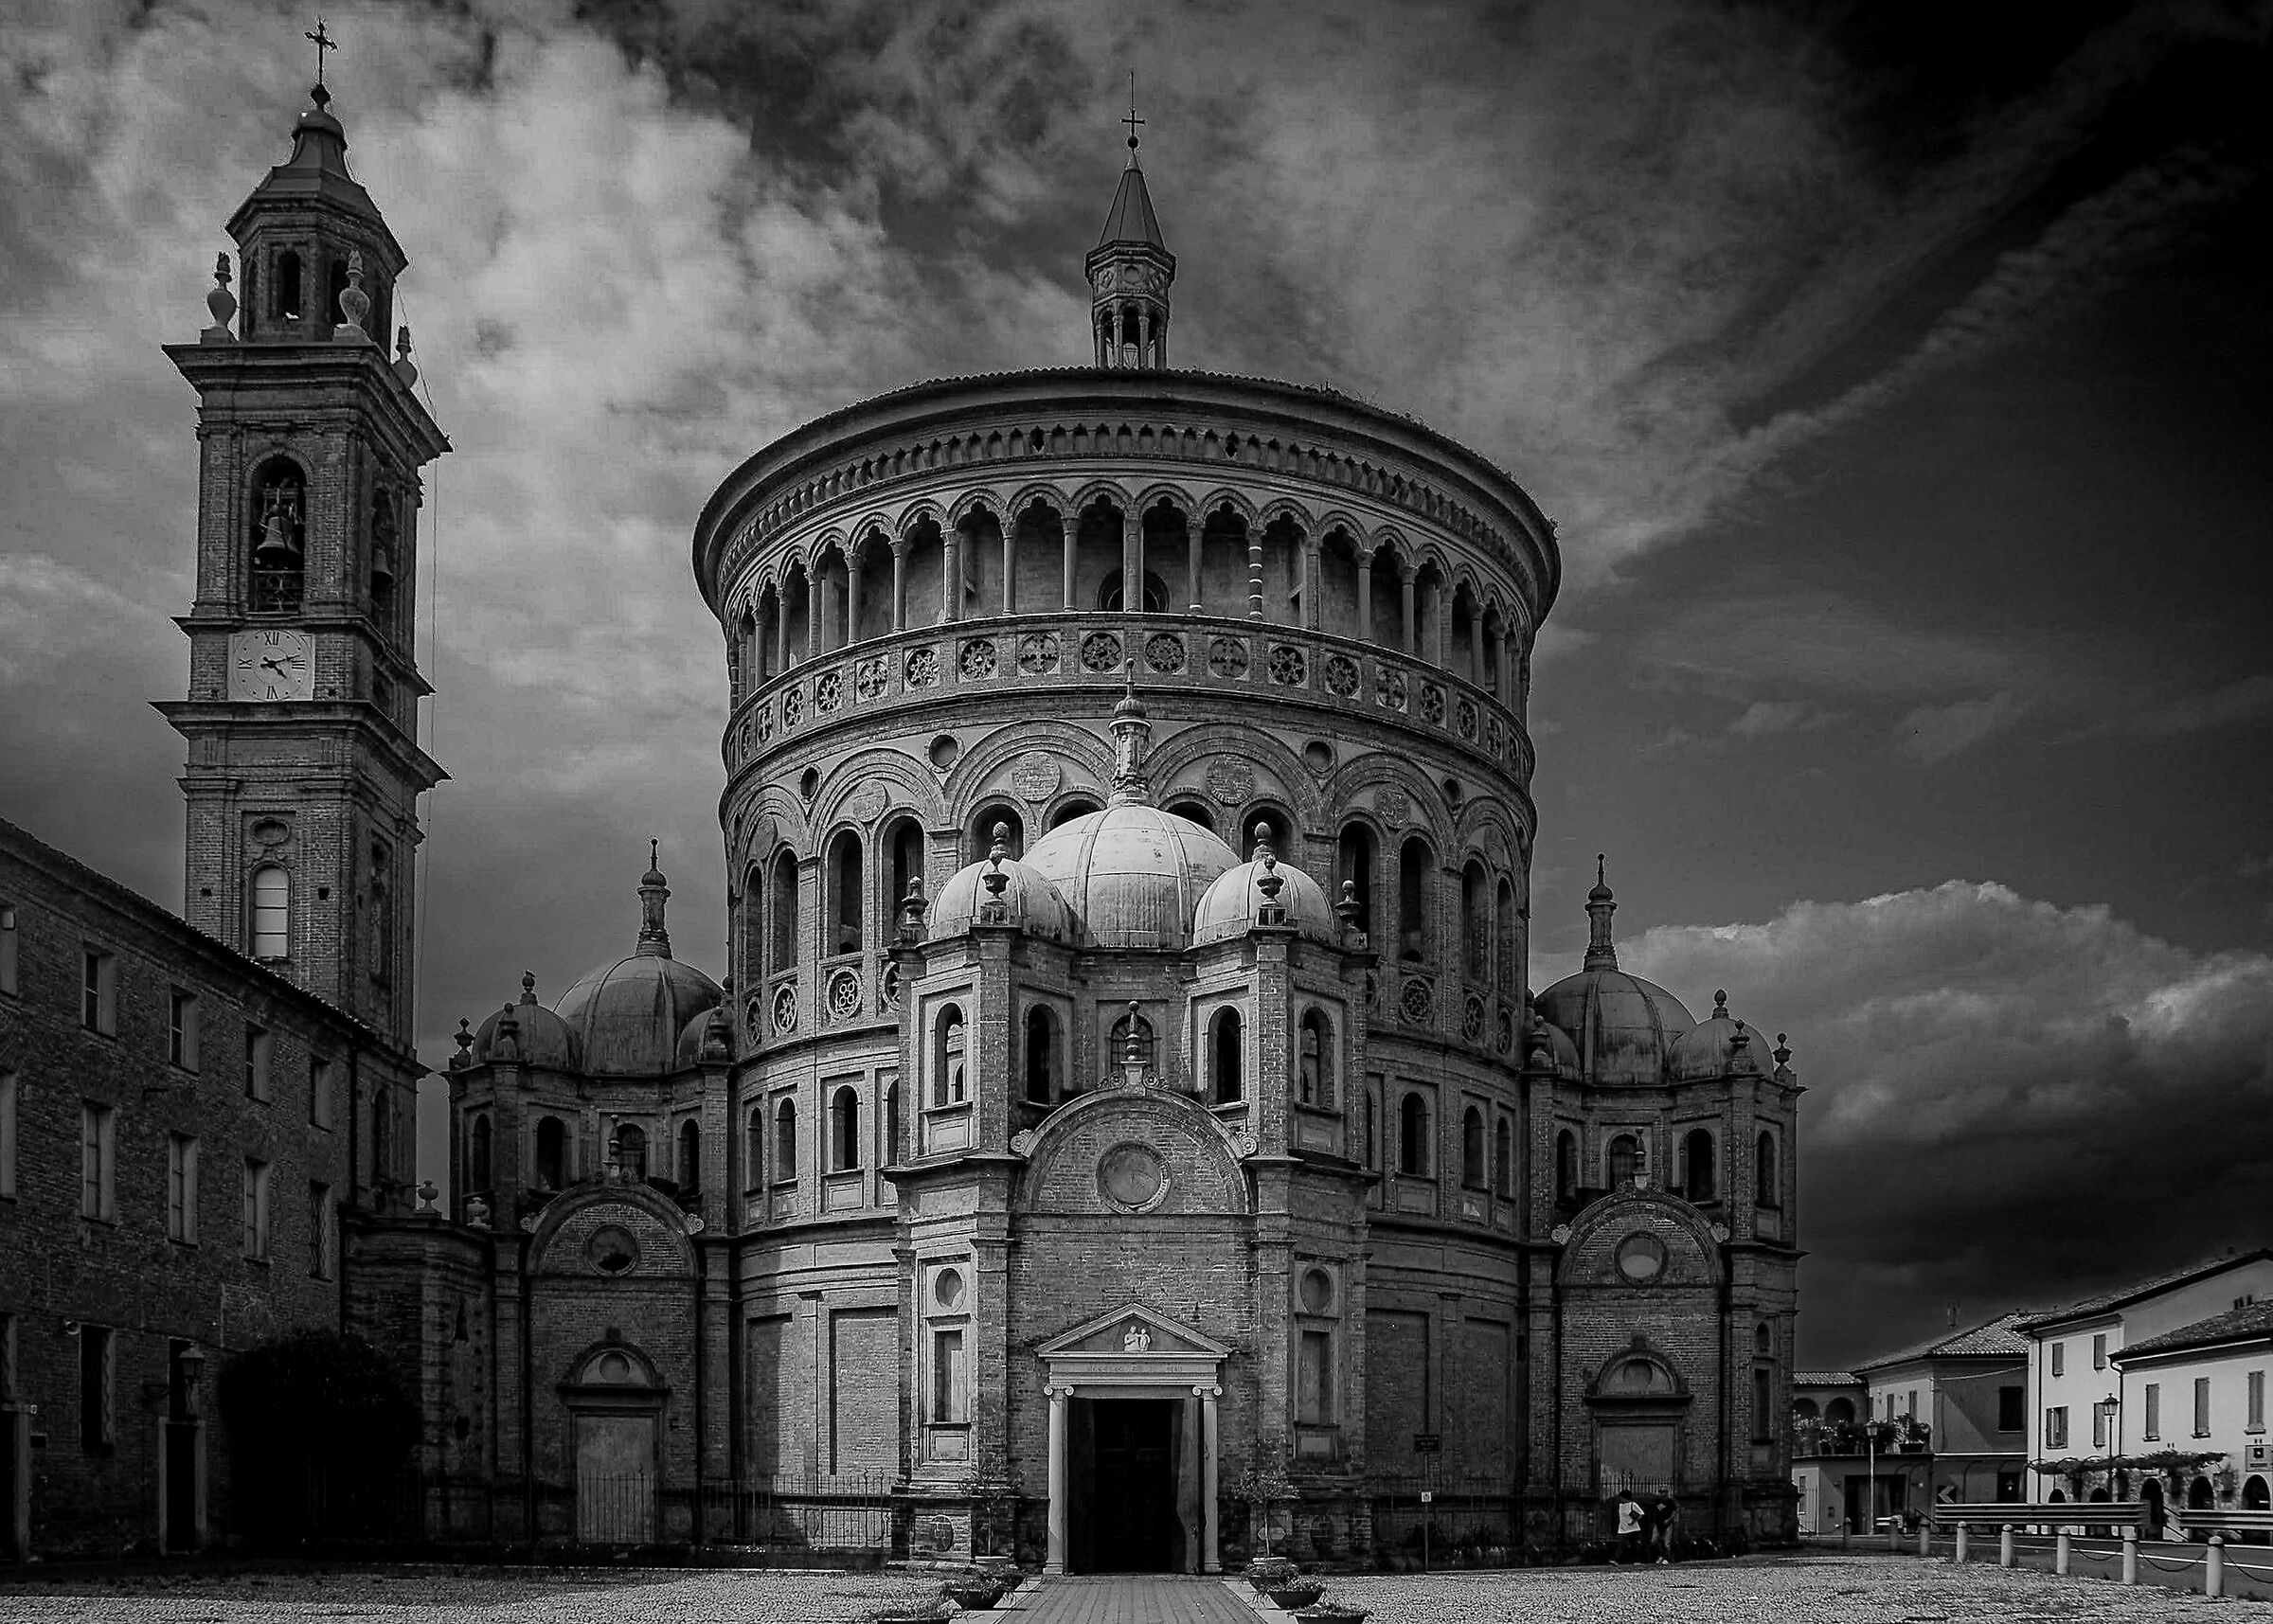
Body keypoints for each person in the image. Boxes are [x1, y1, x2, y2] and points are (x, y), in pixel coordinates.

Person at [1614, 1489, 1645, 1562]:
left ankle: (1637, 1560)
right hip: (1622, 1528)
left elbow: (1641, 1514)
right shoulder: (1621, 1505)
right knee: (1621, 1544)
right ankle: (1616, 1559)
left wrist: (1634, 1521)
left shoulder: (1633, 1505)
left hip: (1632, 1528)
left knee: (1633, 1545)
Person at [1650, 1490, 1677, 1562]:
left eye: (1663, 1492)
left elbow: (1674, 1512)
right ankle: (1661, 1555)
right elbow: (1655, 1512)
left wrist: (1669, 1519)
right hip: (1658, 1523)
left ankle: (1668, 1558)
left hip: (1667, 1524)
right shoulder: (1658, 1501)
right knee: (1654, 1541)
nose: (1662, 1494)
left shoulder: (1670, 1501)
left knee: (1666, 1543)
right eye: (1661, 1492)